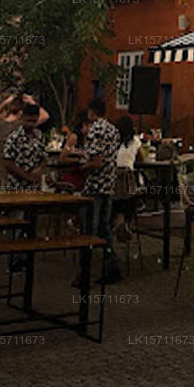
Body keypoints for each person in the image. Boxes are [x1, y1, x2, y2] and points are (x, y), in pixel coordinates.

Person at [80, 98, 122, 283]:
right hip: (109, 183)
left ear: (91, 111)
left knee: (89, 229)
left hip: (95, 184)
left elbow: (96, 162)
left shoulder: (96, 129)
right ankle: (111, 267)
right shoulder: (113, 130)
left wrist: (82, 167)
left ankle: (85, 272)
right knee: (104, 228)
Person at [1, 104, 51, 188]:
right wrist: (26, 176)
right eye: (28, 121)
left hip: (35, 185)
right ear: (22, 118)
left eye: (34, 121)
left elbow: (44, 157)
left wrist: (39, 169)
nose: (31, 124)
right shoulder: (14, 138)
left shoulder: (39, 136)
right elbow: (8, 162)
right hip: (17, 186)